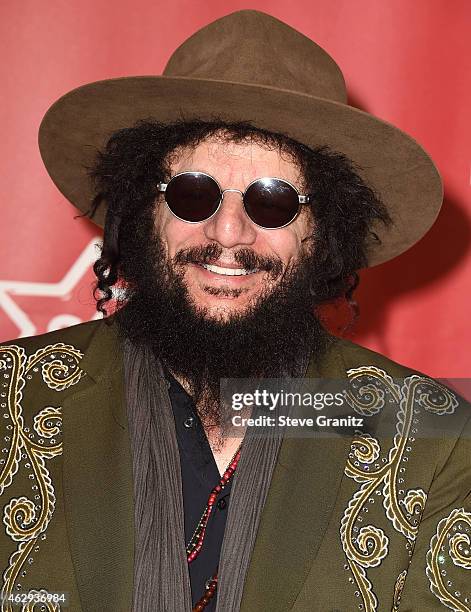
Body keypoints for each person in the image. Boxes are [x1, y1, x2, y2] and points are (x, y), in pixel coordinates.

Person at [0, 10, 469, 612]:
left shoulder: (436, 441)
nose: (228, 232)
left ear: (322, 233)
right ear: (147, 212)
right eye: (192, 193)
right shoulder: (15, 400)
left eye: (271, 203)